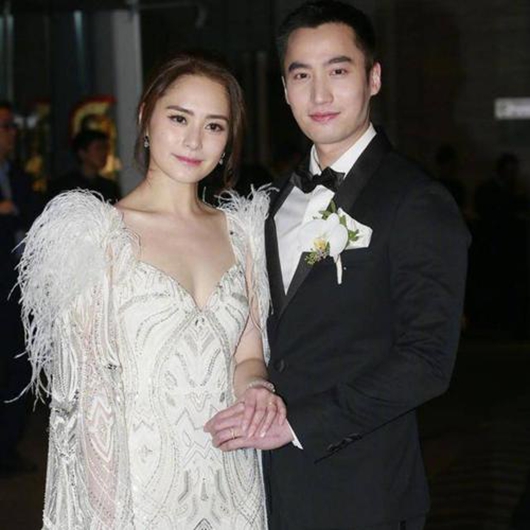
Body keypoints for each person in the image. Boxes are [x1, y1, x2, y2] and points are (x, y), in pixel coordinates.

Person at [205, 2, 470, 529]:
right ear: (285, 89)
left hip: (363, 492)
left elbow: (427, 361)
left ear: (374, 78)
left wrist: (298, 425)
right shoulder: (270, 202)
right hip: (266, 490)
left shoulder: (416, 200)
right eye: (302, 75)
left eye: (339, 71)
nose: (319, 95)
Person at [18, 52, 284, 528]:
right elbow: (87, 406)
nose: (194, 140)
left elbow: (247, 354)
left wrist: (257, 390)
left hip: (230, 482)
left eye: (214, 126)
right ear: (146, 117)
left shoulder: (242, 233)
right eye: (179, 118)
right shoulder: (95, 236)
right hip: (136, 494)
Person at [0, 100, 40, 477]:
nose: (11, 133)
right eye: (5, 126)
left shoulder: (20, 176)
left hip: (16, 288)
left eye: (12, 126)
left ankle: (7, 447)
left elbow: (30, 221)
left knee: (19, 365)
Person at [48, 128, 121, 202]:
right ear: (82, 153)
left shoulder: (109, 187)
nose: (104, 153)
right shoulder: (65, 186)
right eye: (98, 148)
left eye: (106, 148)